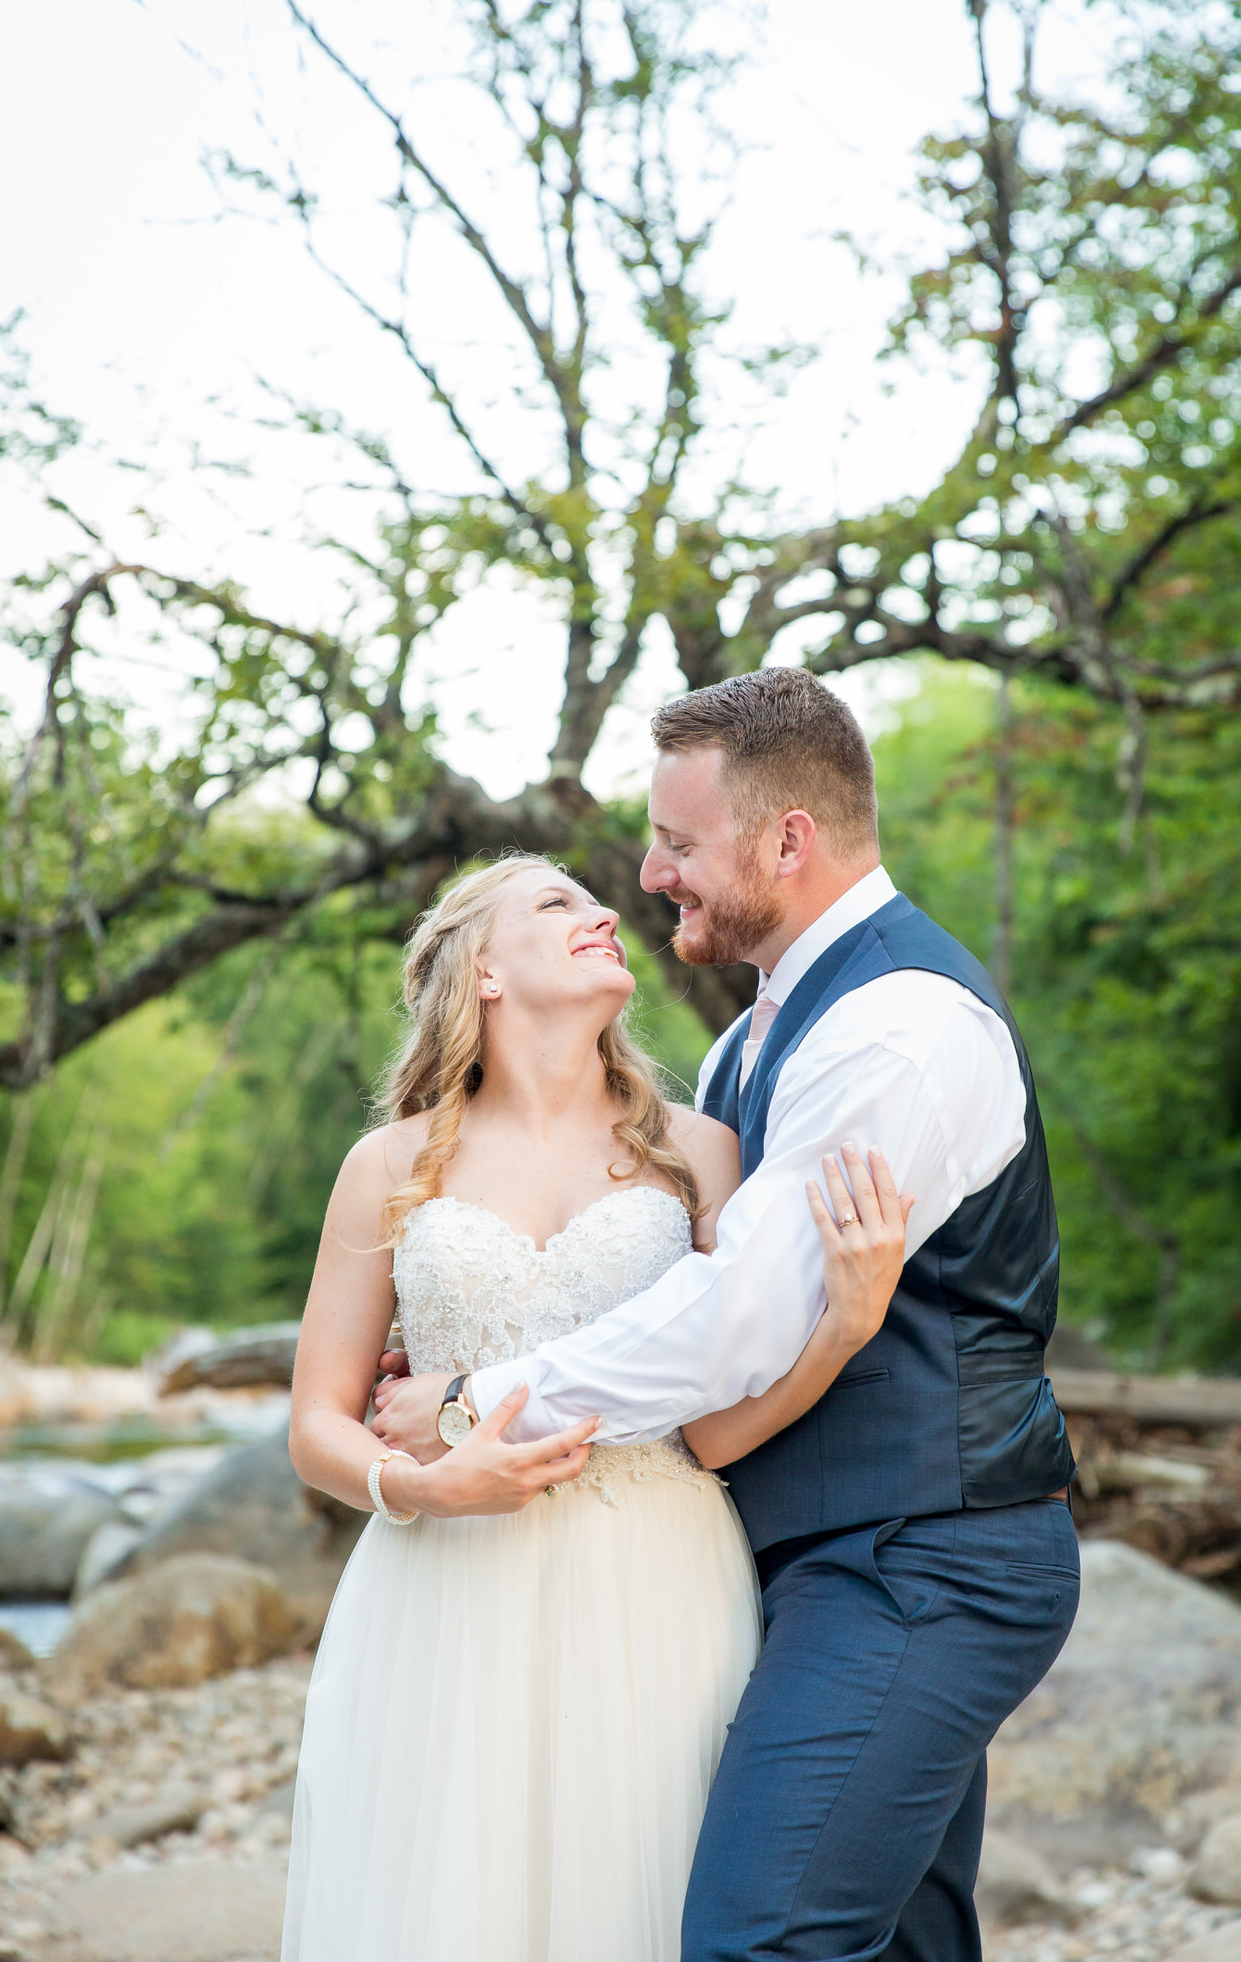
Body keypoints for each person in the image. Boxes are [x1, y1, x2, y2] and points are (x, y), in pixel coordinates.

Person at [373, 667, 1080, 1962]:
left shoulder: (896, 1027)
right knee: (901, 1943)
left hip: (919, 1552)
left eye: (678, 844)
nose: (649, 876)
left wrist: (477, 1401)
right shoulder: (750, 1043)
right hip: (804, 1550)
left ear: (786, 841)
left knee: (765, 1938)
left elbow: (733, 1320)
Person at [281, 851, 912, 1962]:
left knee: (644, 1890)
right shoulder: (387, 1164)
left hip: (656, 1576)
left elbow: (717, 1427)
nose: (606, 910)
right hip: (444, 1586)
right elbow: (316, 1423)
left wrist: (843, 1328)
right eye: (555, 901)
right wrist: (421, 1483)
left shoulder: (699, 1150)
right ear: (483, 969)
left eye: (594, 900)